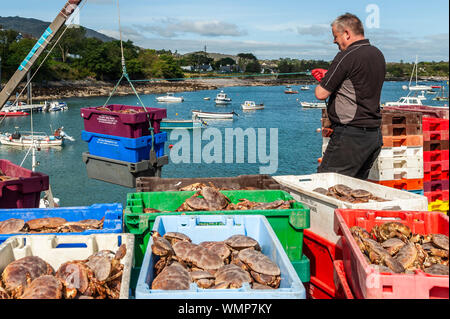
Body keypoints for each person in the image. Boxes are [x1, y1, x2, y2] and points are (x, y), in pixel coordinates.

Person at [312, 13, 386, 180]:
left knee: (325, 186)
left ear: (346, 33)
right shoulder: (377, 54)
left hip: (350, 136)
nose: (334, 41)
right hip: (373, 136)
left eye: (335, 36)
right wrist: (331, 77)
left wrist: (325, 79)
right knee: (354, 190)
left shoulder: (347, 55)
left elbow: (320, 93)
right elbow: (359, 82)